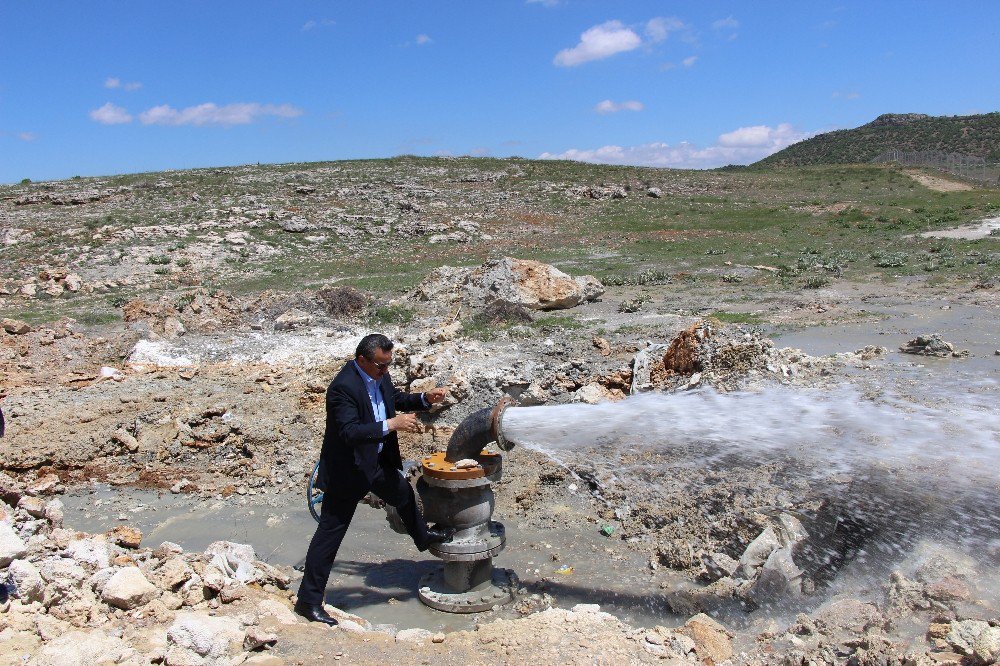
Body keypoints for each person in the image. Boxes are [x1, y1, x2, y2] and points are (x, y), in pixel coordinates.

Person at [295, 333, 454, 625]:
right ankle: (308, 602)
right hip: (347, 471)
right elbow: (349, 432)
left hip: (375, 464)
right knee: (330, 535)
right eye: (380, 366)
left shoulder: (379, 374)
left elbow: (392, 399)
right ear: (362, 361)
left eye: (388, 365)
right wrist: (391, 424)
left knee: (404, 494)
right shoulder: (342, 388)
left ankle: (423, 536)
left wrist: (423, 398)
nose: (385, 371)